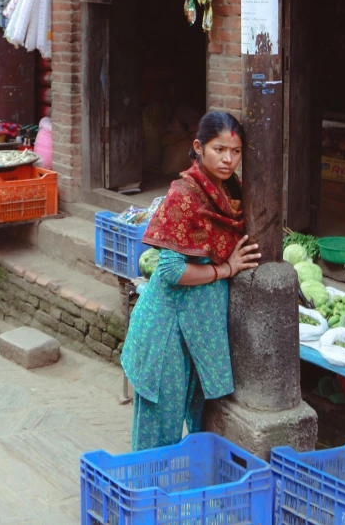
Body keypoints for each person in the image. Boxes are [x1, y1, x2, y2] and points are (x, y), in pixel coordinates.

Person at [121, 111, 261, 452]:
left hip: (199, 329)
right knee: (158, 436)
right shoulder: (185, 194)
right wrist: (225, 270)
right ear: (198, 148)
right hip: (167, 330)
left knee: (197, 429)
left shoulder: (229, 191)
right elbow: (170, 270)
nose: (229, 159)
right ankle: (145, 501)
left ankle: (180, 495)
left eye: (236, 151)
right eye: (219, 149)